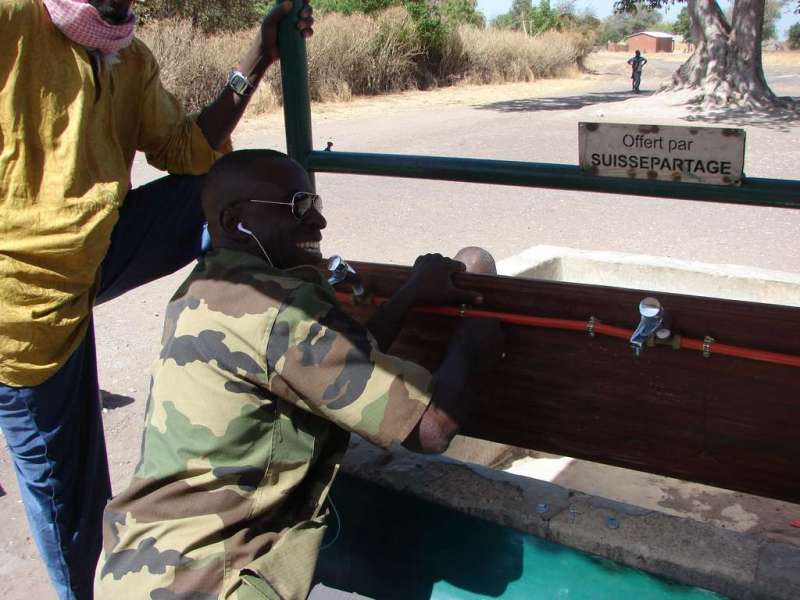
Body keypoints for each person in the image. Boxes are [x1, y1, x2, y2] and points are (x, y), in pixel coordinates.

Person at [0, 1, 314, 598]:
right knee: (72, 500)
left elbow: (187, 149)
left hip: (91, 253)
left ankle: (255, 356)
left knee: (226, 190)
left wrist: (259, 56)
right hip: (23, 305)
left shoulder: (127, 57)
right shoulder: (14, 20)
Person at [94, 149, 505, 600]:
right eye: (299, 207)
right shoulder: (280, 310)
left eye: (316, 204)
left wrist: (407, 295)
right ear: (235, 222)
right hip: (211, 581)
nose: (319, 223)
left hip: (136, 568)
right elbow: (429, 429)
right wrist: (479, 328)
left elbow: (337, 366)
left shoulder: (206, 288)